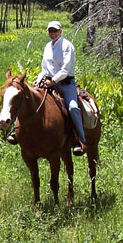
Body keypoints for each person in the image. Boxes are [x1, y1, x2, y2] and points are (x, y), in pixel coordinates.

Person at [35, 20, 87, 156]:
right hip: (48, 81)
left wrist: (53, 81)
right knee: (27, 97)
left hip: (65, 83)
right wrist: (39, 79)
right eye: (50, 31)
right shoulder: (47, 47)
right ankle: (19, 134)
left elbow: (66, 69)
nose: (53, 34)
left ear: (60, 31)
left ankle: (80, 140)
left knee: (73, 107)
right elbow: (44, 68)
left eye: (55, 31)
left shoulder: (66, 46)